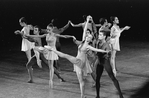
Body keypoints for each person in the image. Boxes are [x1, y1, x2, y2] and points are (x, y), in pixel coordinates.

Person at [47, 32, 108, 98]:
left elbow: (97, 49)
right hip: (77, 61)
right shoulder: (82, 43)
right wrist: (87, 21)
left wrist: (105, 51)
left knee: (65, 55)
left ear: (91, 40)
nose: (88, 37)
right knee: (81, 81)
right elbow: (84, 31)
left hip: (80, 62)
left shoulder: (88, 46)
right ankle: (82, 95)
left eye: (90, 37)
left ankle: (52, 49)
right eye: (87, 36)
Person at [25, 23, 73, 88]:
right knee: (35, 48)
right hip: (47, 50)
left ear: (52, 29)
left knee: (51, 67)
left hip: (52, 50)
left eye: (49, 30)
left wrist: (72, 36)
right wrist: (28, 35)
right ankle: (55, 77)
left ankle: (51, 80)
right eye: (47, 29)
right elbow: (38, 36)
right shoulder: (46, 35)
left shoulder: (55, 35)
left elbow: (64, 36)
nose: (48, 31)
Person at [95, 30, 124, 98]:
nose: (99, 36)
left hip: (105, 62)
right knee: (97, 79)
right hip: (99, 62)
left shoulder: (106, 45)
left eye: (101, 35)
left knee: (112, 77)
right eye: (99, 34)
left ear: (104, 36)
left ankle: (120, 94)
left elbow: (103, 54)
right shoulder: (97, 42)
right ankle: (97, 96)